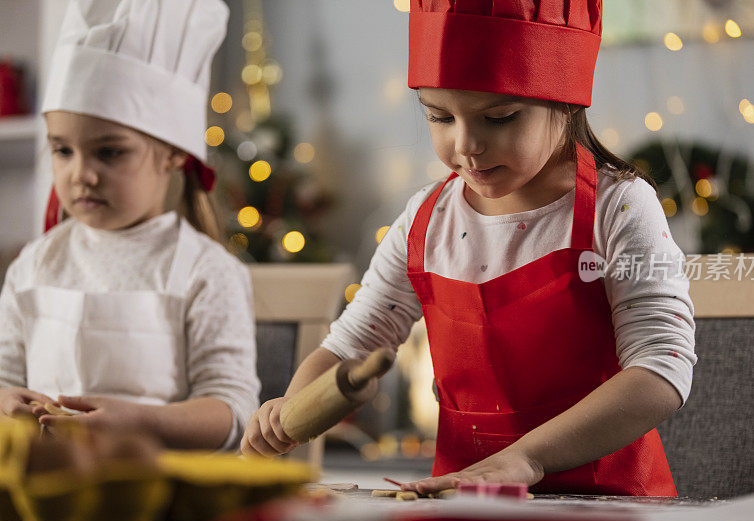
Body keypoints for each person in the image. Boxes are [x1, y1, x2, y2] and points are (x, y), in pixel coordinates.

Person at [242, 0, 696, 496]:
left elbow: (659, 370)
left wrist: (526, 459)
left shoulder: (621, 207)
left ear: (564, 102)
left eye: (498, 117)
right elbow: (352, 346)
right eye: (439, 117)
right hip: (461, 503)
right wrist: (291, 409)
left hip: (611, 504)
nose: (466, 146)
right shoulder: (424, 221)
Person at [0, 0, 260, 450]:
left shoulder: (207, 272)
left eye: (109, 152)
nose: (81, 173)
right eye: (63, 151)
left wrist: (142, 421)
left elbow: (233, 412)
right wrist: (7, 402)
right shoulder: (34, 265)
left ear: (174, 153)